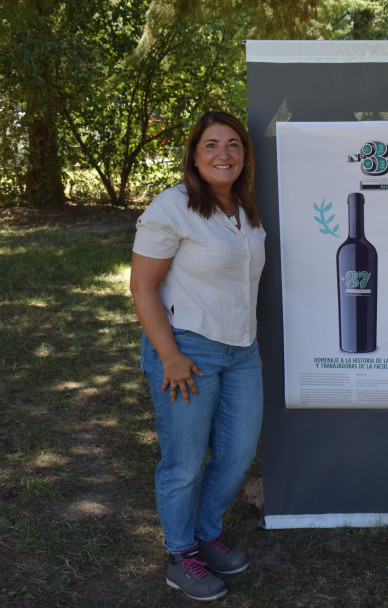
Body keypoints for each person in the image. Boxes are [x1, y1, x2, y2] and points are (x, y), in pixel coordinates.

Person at [129, 111, 265, 601]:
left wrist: (251, 340)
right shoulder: (173, 206)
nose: (223, 154)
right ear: (193, 154)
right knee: (184, 462)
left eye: (233, 144)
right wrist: (169, 356)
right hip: (188, 349)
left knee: (236, 454)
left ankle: (208, 536)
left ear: (244, 155)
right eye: (211, 145)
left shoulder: (244, 209)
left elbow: (244, 284)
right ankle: (181, 554)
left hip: (242, 352)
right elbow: (142, 288)